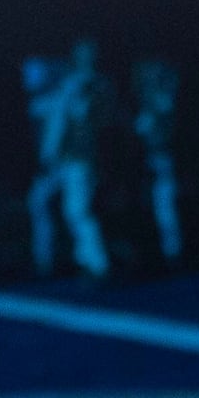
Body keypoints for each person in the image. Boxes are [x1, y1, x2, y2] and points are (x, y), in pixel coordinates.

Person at [25, 39, 111, 280]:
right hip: (60, 160)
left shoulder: (97, 86)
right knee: (41, 201)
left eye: (90, 55)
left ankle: (96, 264)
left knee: (78, 210)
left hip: (81, 158)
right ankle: (50, 258)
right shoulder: (67, 84)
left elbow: (97, 122)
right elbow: (49, 116)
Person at [131, 58, 184, 266]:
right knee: (149, 209)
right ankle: (153, 253)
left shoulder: (164, 101)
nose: (147, 79)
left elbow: (165, 133)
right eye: (144, 76)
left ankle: (173, 253)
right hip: (143, 166)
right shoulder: (140, 103)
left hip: (162, 162)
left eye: (152, 75)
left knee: (165, 208)